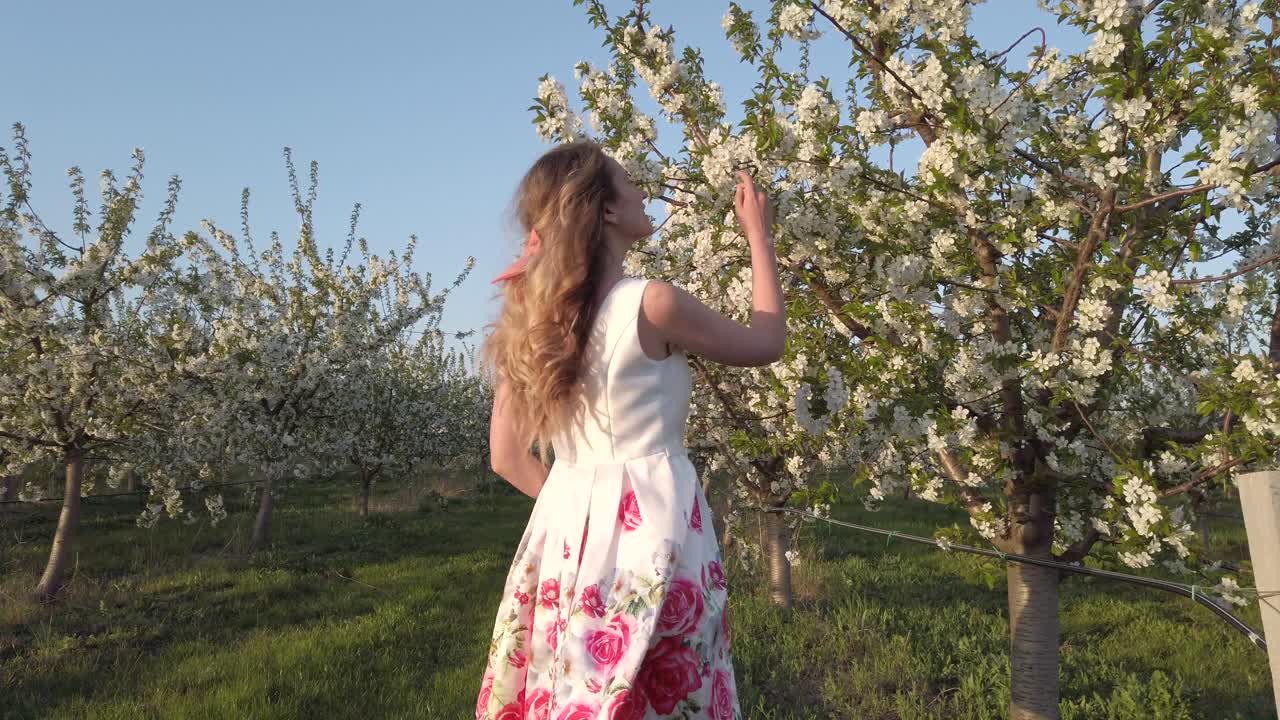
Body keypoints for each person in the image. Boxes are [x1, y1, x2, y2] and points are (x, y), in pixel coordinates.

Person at [476, 139, 783, 720]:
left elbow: (506, 459)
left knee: (573, 689)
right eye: (629, 182)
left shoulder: (529, 318)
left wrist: (584, 510)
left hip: (563, 543)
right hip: (657, 540)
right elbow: (766, 342)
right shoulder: (651, 303)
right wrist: (758, 239)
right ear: (607, 211)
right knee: (662, 695)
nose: (644, 193)